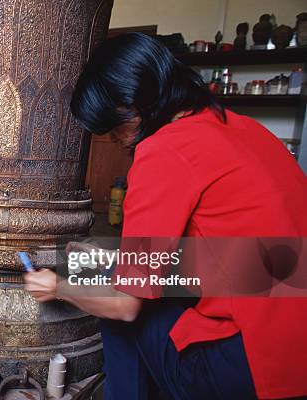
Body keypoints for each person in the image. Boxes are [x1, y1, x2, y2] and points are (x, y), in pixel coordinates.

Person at [24, 33, 307, 399]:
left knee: (118, 300)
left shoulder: (164, 151)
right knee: (108, 269)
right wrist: (116, 261)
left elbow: (125, 306)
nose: (116, 140)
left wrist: (58, 288)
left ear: (135, 105)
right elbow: (227, 253)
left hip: (255, 369)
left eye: (115, 127)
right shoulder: (241, 128)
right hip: (295, 353)